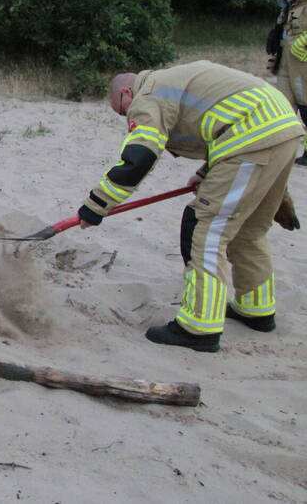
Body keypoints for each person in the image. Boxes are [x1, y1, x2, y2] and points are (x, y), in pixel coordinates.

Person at [77, 61, 303, 352]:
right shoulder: (176, 81)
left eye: (122, 110)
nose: (128, 118)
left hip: (251, 138)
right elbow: (226, 117)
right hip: (284, 128)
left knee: (205, 230)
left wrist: (95, 207)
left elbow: (139, 156)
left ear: (126, 92)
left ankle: (198, 328)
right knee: (248, 230)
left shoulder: (148, 95)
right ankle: (255, 308)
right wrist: (208, 172)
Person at [271, 0, 307, 165]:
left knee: (306, 106)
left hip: (303, 61)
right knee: (281, 105)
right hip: (286, 59)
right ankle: (278, 148)